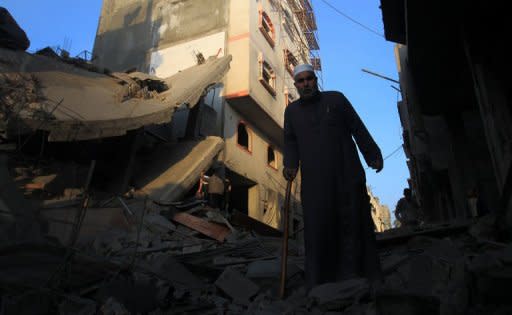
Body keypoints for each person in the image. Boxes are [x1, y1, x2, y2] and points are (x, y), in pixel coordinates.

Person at [283, 64, 383, 289]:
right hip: (315, 181)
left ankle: (364, 274)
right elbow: (290, 141)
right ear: (296, 84)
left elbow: (357, 127)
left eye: (309, 79)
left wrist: (372, 154)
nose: (306, 83)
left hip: (347, 173)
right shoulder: (292, 111)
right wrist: (290, 164)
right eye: (301, 81)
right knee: (319, 225)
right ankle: (322, 280)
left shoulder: (336, 100)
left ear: (315, 80)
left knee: (354, 220)